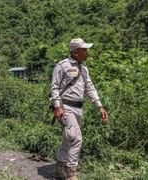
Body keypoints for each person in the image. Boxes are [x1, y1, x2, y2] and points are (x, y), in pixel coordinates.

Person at [50, 38, 108, 180]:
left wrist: (99, 106)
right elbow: (55, 87)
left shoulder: (84, 69)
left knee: (68, 138)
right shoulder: (62, 65)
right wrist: (57, 107)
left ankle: (59, 169)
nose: (87, 52)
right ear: (75, 52)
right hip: (66, 107)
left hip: (78, 109)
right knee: (76, 139)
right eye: (84, 50)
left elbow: (90, 88)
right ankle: (70, 172)